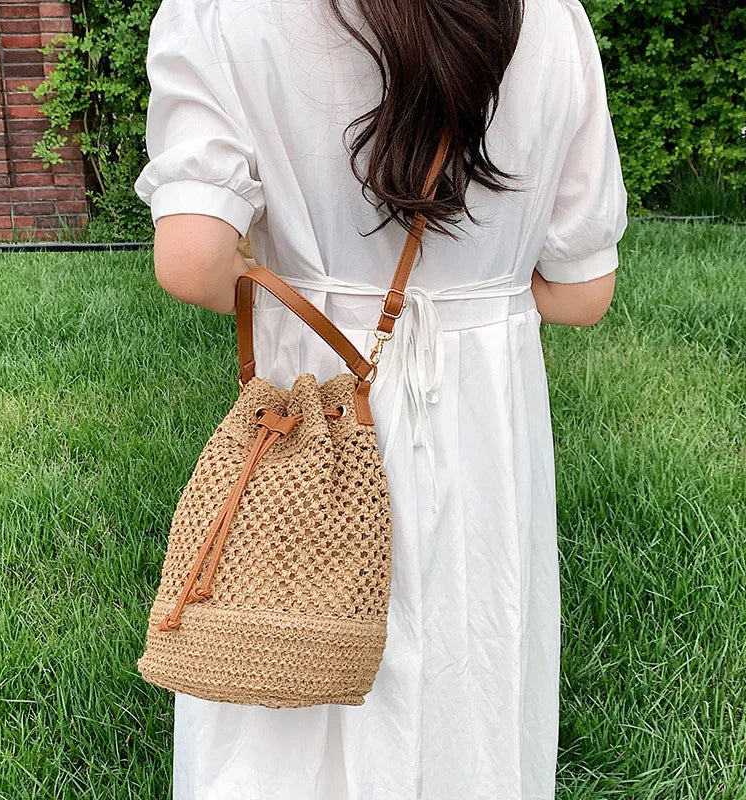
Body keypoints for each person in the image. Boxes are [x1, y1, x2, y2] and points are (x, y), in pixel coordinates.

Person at [133, 0, 627, 796]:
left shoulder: (223, 10)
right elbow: (582, 293)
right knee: (475, 655)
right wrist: (479, 290)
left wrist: (323, 292)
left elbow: (191, 262)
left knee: (282, 657)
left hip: (317, 399)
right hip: (482, 415)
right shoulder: (554, 17)